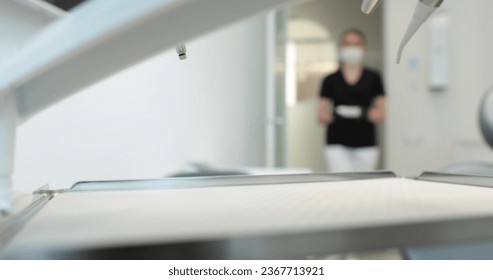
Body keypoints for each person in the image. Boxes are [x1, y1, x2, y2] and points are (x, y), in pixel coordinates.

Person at [318, 29, 385, 172]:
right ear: (341, 47)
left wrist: (361, 113)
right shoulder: (330, 80)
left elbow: (381, 114)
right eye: (347, 44)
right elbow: (321, 116)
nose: (351, 48)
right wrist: (338, 114)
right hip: (336, 144)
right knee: (341, 186)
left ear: (363, 48)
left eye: (356, 44)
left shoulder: (374, 78)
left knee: (363, 188)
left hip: (366, 145)